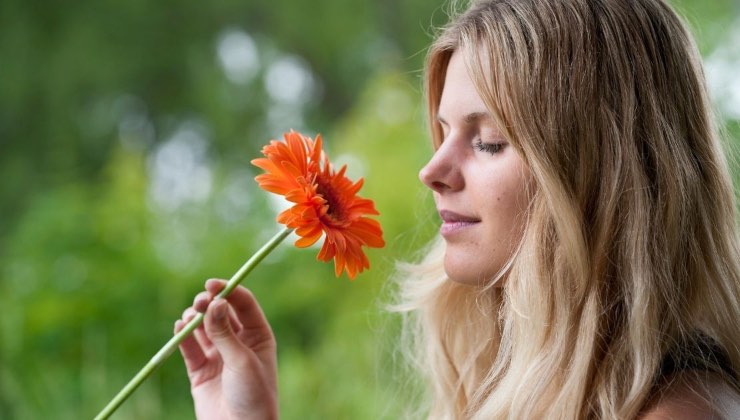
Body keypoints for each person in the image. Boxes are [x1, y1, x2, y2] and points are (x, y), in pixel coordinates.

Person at [176, 0, 740, 418]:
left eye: (488, 141)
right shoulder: (530, 386)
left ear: (604, 175)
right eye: (442, 132)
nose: (432, 171)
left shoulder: (680, 412)